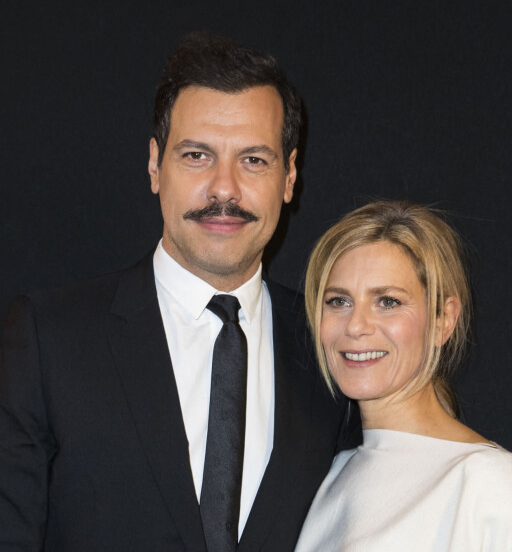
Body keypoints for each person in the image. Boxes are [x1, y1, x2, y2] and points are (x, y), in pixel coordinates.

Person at [0, 32, 359, 552]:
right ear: (154, 165)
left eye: (254, 160)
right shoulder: (48, 339)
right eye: (196, 155)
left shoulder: (331, 347)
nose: (224, 189)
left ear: (290, 176)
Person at [295, 200, 512, 551]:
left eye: (387, 301)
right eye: (338, 301)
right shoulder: (333, 476)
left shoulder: (491, 484)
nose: (356, 326)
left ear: (443, 321)